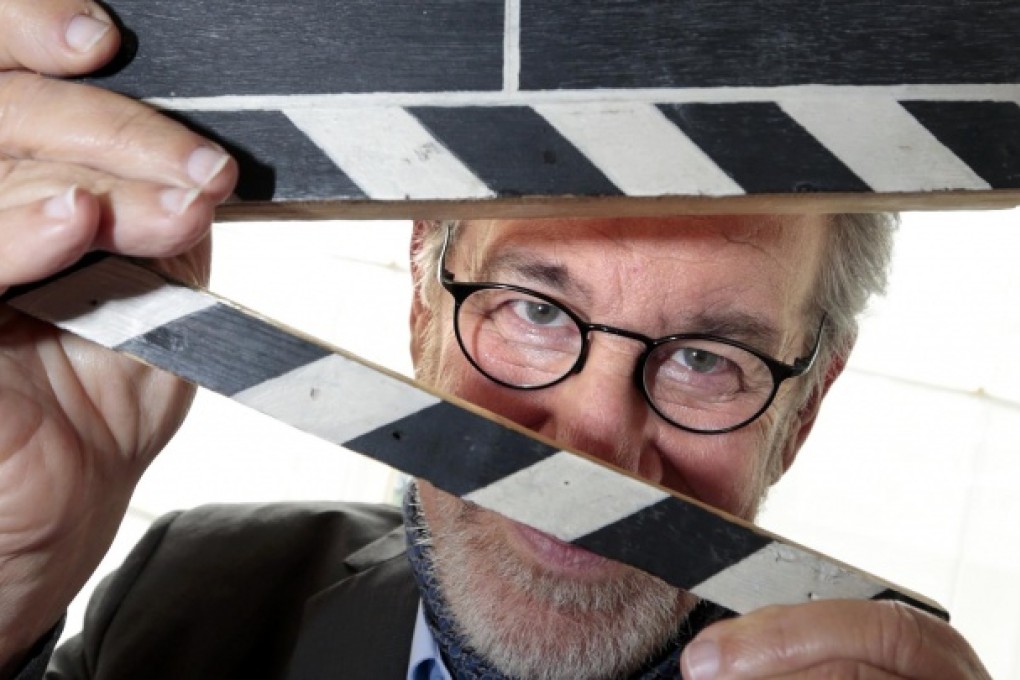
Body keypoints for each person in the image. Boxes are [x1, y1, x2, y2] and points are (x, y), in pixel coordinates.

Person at [0, 2, 991, 678]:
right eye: (535, 309)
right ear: (426, 298)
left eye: (705, 357)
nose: (592, 435)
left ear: (804, 407)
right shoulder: (191, 592)